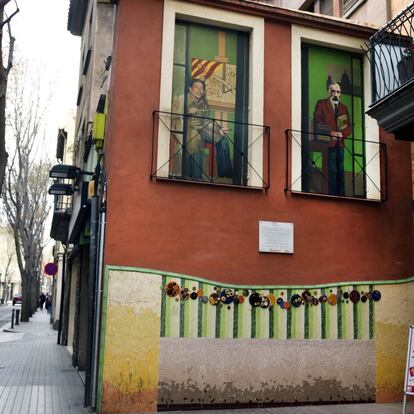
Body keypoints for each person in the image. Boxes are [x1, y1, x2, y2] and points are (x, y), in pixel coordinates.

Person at [185, 78, 232, 180]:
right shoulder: (183, 100)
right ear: (190, 89)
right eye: (196, 87)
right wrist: (187, 111)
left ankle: (225, 174)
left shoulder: (204, 104)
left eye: (202, 88)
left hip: (202, 129)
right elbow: (176, 117)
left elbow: (207, 122)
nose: (199, 90)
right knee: (195, 137)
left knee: (223, 139)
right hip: (187, 130)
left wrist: (219, 129)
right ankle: (196, 176)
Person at [313, 82, 352, 196]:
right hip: (327, 142)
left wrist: (342, 134)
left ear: (341, 94)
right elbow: (317, 121)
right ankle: (331, 194)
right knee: (331, 168)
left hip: (340, 143)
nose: (335, 94)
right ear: (328, 91)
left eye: (338, 92)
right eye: (333, 91)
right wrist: (330, 132)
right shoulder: (321, 104)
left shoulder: (343, 107)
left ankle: (341, 194)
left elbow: (349, 126)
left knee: (340, 168)